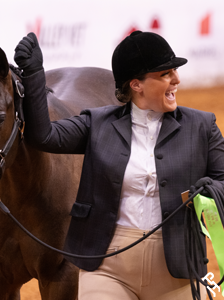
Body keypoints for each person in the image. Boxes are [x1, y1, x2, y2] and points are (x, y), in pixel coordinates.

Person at [14, 31, 224, 299]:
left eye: (175, 71)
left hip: (178, 269)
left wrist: (210, 190)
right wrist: (34, 75)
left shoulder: (202, 127)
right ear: (136, 85)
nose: (177, 79)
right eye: (165, 74)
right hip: (108, 266)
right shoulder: (98, 123)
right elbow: (43, 136)